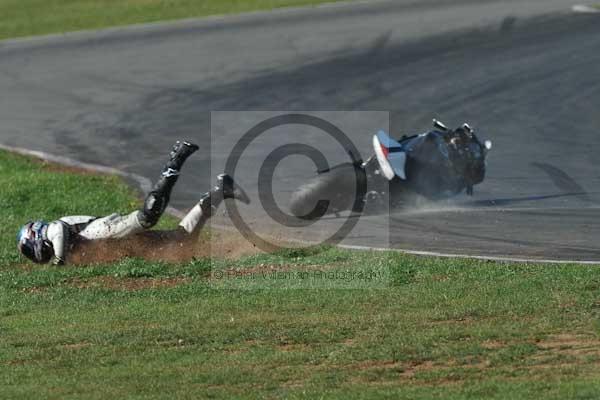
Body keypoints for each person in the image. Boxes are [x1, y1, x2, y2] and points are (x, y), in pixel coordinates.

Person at [16, 141, 250, 265]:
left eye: (28, 249)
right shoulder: (57, 248)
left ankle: (177, 157)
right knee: (181, 244)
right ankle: (220, 191)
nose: (32, 255)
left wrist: (58, 260)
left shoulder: (51, 231)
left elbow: (59, 231)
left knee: (147, 217)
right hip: (121, 245)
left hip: (101, 232)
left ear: (34, 235)